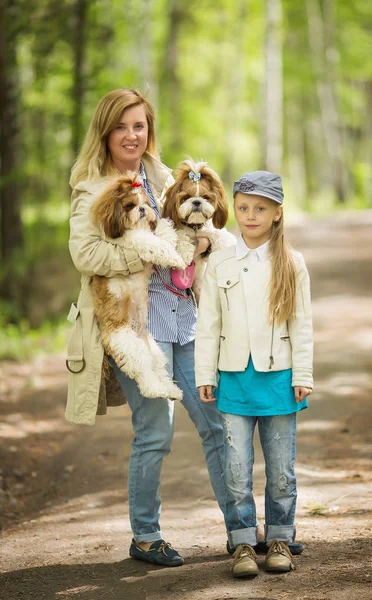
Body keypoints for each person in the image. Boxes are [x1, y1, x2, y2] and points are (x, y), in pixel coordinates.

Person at [65, 88, 228, 567]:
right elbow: (85, 255)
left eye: (139, 126)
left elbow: (200, 225)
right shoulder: (91, 187)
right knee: (155, 430)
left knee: (216, 421)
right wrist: (146, 253)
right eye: (122, 126)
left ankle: (240, 526)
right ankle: (146, 536)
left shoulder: (163, 177)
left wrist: (203, 247)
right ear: (105, 131)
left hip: (186, 318)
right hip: (134, 324)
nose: (132, 135)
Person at [195, 171, 313, 578]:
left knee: (281, 468)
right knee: (236, 468)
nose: (249, 215)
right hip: (234, 378)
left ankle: (279, 538)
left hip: (279, 378)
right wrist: (204, 372)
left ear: (277, 213)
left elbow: (302, 324)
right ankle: (243, 542)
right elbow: (208, 323)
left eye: (260, 208)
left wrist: (304, 373)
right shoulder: (220, 263)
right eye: (243, 207)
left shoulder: (292, 264)